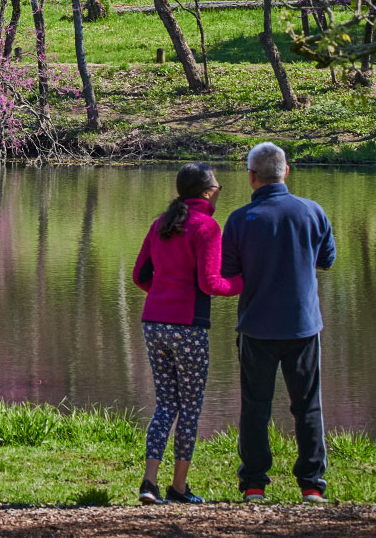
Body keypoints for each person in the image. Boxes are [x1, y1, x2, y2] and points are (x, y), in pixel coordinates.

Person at [222, 142, 336, 503]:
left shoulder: (240, 219)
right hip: (303, 327)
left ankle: (254, 483)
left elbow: (227, 272)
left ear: (251, 176)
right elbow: (327, 261)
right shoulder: (312, 212)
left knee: (255, 406)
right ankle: (312, 485)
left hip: (256, 327)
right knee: (307, 405)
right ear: (286, 172)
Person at [130, 162, 240, 504]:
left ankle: (149, 482)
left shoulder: (160, 223)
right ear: (207, 191)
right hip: (189, 327)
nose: (220, 190)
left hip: (154, 323)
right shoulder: (207, 227)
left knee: (165, 404)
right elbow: (211, 283)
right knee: (190, 408)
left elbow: (139, 276)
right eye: (218, 186)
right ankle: (178, 488)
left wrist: (163, 293)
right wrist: (244, 283)